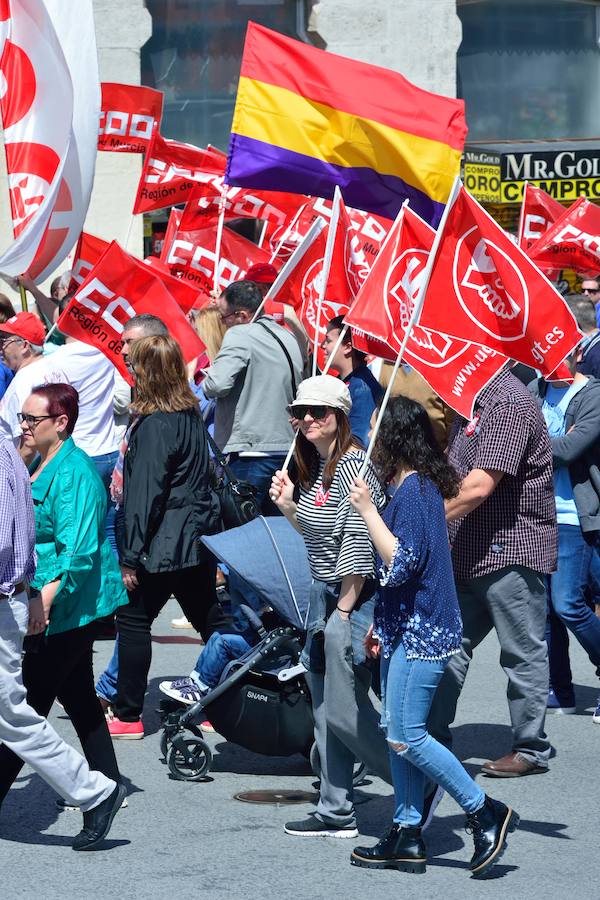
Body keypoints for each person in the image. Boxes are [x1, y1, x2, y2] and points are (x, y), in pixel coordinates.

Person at [348, 397, 518, 877]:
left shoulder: (418, 490)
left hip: (426, 629)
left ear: (396, 438)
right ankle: (406, 831)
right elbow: (398, 574)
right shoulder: (404, 488)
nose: (373, 440)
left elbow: (402, 564)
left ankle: (485, 810)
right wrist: (381, 621)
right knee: (394, 733)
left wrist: (366, 511)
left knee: (409, 736)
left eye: (379, 431)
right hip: (403, 626)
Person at [0, 387, 128, 849]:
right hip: (53, 598)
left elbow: (79, 550)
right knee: (77, 697)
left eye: (33, 418)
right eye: (23, 417)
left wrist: (44, 599)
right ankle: (108, 782)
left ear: (62, 422)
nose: (25, 426)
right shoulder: (38, 462)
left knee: (24, 705)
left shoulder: (74, 472)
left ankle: (97, 794)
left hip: (70, 603)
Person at [270, 374, 392, 838]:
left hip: (352, 600)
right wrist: (288, 509)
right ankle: (335, 808)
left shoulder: (352, 467)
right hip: (328, 598)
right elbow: (322, 536)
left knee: (346, 713)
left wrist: (342, 613)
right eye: (298, 412)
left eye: (316, 413)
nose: (304, 420)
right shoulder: (321, 468)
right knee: (326, 710)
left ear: (339, 416)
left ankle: (418, 782)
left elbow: (359, 546)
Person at [427, 366, 556, 777]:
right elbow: (454, 474)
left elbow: (480, 486)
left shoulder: (508, 402)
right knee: (445, 646)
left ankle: (530, 749)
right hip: (467, 549)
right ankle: (428, 735)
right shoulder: (471, 402)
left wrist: (422, 521)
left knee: (521, 653)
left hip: (510, 551)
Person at [107, 335, 221, 740]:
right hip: (194, 538)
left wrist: (129, 557)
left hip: (161, 542)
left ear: (149, 373)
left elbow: (144, 497)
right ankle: (216, 703)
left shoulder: (155, 424)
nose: (130, 372)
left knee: (134, 620)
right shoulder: (189, 413)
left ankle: (128, 714)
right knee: (209, 619)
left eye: (135, 366)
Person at [529, 349, 600, 719]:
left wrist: (530, 444)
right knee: (545, 613)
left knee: (568, 603)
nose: (544, 357)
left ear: (574, 350)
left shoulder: (594, 395)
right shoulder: (534, 387)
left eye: (553, 349)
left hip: (574, 514)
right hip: (536, 516)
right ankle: (561, 689)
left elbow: (569, 450)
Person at [203, 280, 303, 512]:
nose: (223, 323)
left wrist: (208, 376)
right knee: (278, 531)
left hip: (250, 452)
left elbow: (216, 385)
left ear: (241, 315)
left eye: (223, 317)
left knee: (242, 532)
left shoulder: (240, 334)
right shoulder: (288, 336)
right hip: (286, 451)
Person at [0, 312, 66, 446]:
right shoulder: (53, 367)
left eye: (4, 341)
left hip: (24, 464)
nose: (1, 347)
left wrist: (15, 467)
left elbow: (28, 444)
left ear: (24, 346)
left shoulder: (24, 382)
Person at [322, 316, 383, 446]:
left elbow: (359, 441)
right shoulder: (341, 383)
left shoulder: (363, 388)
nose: (322, 345)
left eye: (328, 340)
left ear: (348, 347)